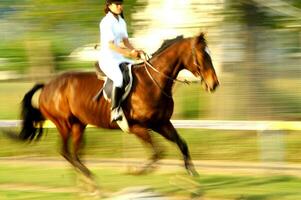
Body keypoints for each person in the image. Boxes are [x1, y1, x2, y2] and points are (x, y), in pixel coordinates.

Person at [98, 0, 142, 122]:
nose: (120, 6)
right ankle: (115, 110)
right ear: (109, 6)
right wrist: (129, 54)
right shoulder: (106, 22)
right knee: (118, 78)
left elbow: (126, 42)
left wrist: (136, 51)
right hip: (107, 59)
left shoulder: (121, 21)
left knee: (138, 70)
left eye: (120, 4)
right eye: (116, 4)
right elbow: (111, 46)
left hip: (119, 57)